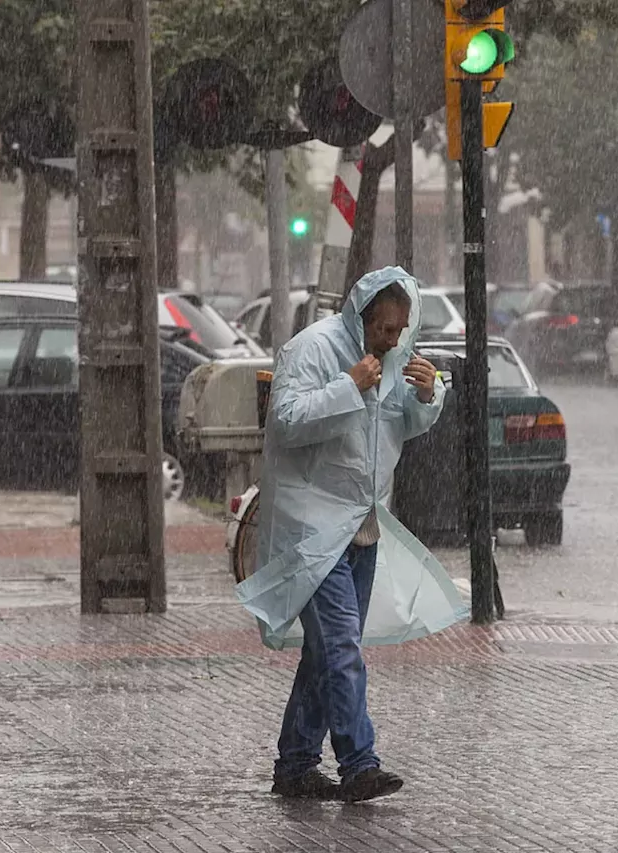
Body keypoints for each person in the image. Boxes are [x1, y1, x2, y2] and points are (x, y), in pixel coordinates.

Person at [246, 268, 446, 803]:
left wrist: (428, 397)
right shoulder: (311, 349)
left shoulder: (395, 357)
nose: (395, 340)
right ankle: (359, 763)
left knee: (325, 652)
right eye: (385, 328)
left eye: (402, 329)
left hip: (363, 524)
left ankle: (294, 766)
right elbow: (285, 420)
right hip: (312, 529)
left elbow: (401, 421)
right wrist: (349, 385)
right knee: (340, 648)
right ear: (362, 317)